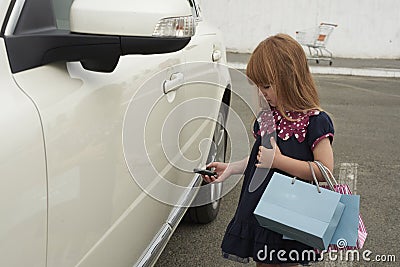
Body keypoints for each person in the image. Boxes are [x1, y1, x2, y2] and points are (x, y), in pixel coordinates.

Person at [202, 33, 335, 266]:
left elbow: (324, 171)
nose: (262, 92)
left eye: (267, 85)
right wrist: (232, 168)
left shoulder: (315, 121)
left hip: (290, 214)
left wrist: (279, 161)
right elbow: (260, 157)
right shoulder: (267, 118)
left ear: (290, 78)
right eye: (257, 85)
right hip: (259, 209)